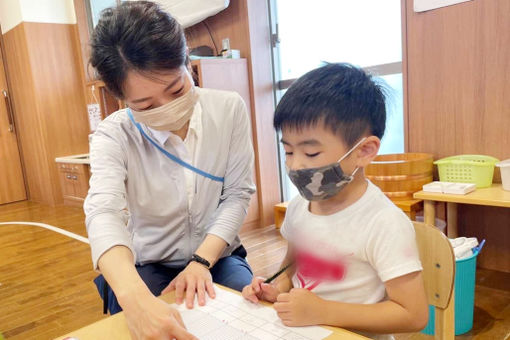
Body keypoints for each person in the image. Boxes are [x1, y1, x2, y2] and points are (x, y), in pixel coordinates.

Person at [84, 1, 255, 339]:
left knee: (249, 316)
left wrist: (202, 261)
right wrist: (134, 299)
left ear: (187, 62)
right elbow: (103, 212)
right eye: (144, 105)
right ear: (120, 99)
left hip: (218, 254)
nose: (168, 108)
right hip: (149, 264)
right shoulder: (113, 135)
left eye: (176, 89)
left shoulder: (228, 109)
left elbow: (237, 195)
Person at [242, 63, 428, 339]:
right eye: (289, 151)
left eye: (312, 153)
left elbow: (413, 314)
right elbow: (292, 268)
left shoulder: (384, 223)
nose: (295, 166)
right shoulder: (298, 208)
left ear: (364, 151)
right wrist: (276, 289)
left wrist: (323, 311)